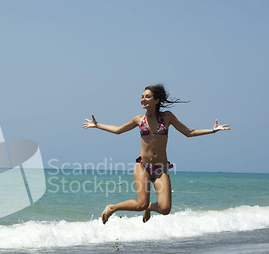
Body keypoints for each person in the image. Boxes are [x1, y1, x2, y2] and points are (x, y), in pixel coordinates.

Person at [83, 84, 230, 224]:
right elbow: (118, 130)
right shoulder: (139, 119)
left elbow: (188, 132)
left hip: (161, 168)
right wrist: (98, 125)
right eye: (142, 96)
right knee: (140, 204)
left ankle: (149, 208)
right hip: (142, 166)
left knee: (165, 208)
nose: (143, 99)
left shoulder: (167, 117)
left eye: (147, 97)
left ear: (156, 100)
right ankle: (112, 207)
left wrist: (212, 130)